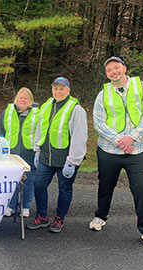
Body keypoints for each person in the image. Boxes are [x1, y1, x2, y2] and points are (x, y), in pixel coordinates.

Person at [89, 56, 143, 249]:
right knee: (105, 186)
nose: (113, 72)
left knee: (142, 189)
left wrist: (132, 138)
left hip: (138, 149)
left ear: (124, 68)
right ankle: (100, 216)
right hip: (110, 149)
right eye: (110, 70)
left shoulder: (142, 87)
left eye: (116, 68)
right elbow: (98, 122)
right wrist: (119, 140)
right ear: (106, 73)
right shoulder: (103, 94)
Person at [27, 77, 87, 233]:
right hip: (46, 157)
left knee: (64, 189)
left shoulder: (76, 110)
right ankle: (42, 217)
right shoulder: (47, 106)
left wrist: (73, 161)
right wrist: (37, 150)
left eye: (62, 89)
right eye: (55, 88)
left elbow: (80, 137)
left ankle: (59, 218)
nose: (58, 92)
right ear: (52, 90)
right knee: (39, 185)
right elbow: (40, 129)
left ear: (68, 90)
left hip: (65, 159)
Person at [0, 87, 39, 217]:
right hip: (10, 152)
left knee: (29, 181)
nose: (23, 100)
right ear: (16, 99)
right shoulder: (7, 112)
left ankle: (26, 206)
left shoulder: (38, 113)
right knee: (11, 180)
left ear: (30, 100)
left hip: (29, 152)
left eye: (26, 98)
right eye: (21, 97)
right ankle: (11, 206)